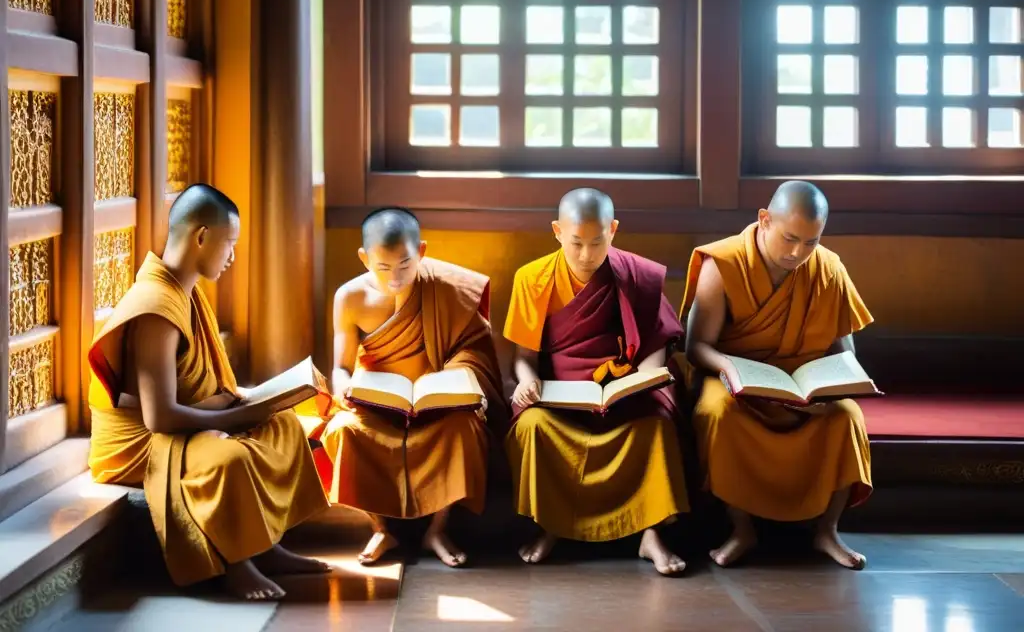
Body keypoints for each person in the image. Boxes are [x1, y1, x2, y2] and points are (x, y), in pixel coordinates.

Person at [87, 184, 330, 601]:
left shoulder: (187, 290)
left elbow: (202, 384)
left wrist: (250, 402)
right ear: (201, 237)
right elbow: (158, 418)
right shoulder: (155, 307)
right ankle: (237, 564)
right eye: (229, 243)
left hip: (183, 422)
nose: (232, 256)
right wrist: (228, 419)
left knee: (284, 426)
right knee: (229, 458)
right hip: (143, 443)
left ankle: (267, 546)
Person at [681, 180, 873, 569]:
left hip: (802, 385)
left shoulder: (829, 268)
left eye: (810, 242)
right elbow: (696, 346)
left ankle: (827, 531)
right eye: (789, 238)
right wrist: (729, 368)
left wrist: (833, 388)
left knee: (848, 416)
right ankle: (741, 528)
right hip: (737, 382)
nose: (798, 252)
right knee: (717, 414)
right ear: (764, 220)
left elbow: (845, 351)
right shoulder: (725, 262)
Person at [301, 208, 506, 568]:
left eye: (405, 266)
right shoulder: (349, 298)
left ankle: (438, 530)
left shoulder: (445, 288)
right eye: (383, 268)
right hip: (377, 404)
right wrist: (348, 390)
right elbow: (341, 366)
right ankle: (381, 527)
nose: (395, 278)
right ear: (364, 258)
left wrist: (456, 384)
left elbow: (472, 349)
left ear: (422, 252)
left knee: (464, 431)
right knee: (343, 432)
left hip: (437, 407)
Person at [503, 188, 689, 575]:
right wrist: (526, 382)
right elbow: (522, 358)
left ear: (614, 230)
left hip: (627, 391)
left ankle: (651, 533)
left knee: (656, 425)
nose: (587, 255)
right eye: (576, 244)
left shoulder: (638, 275)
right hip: (559, 395)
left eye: (597, 242)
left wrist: (645, 379)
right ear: (556, 231)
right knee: (533, 426)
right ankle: (549, 526)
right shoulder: (532, 279)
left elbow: (657, 341)